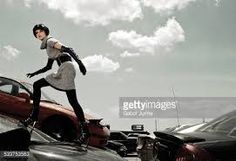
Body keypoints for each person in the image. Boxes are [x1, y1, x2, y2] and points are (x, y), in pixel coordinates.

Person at [20, 24, 89, 143]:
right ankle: (33, 116)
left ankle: (85, 132)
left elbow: (68, 49)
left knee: (73, 101)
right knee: (38, 85)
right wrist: (34, 73)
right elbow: (48, 67)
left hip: (66, 68)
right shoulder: (48, 47)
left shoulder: (51, 41)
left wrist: (81, 63)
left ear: (46, 32)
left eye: (40, 31)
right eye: (36, 33)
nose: (38, 34)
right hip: (62, 68)